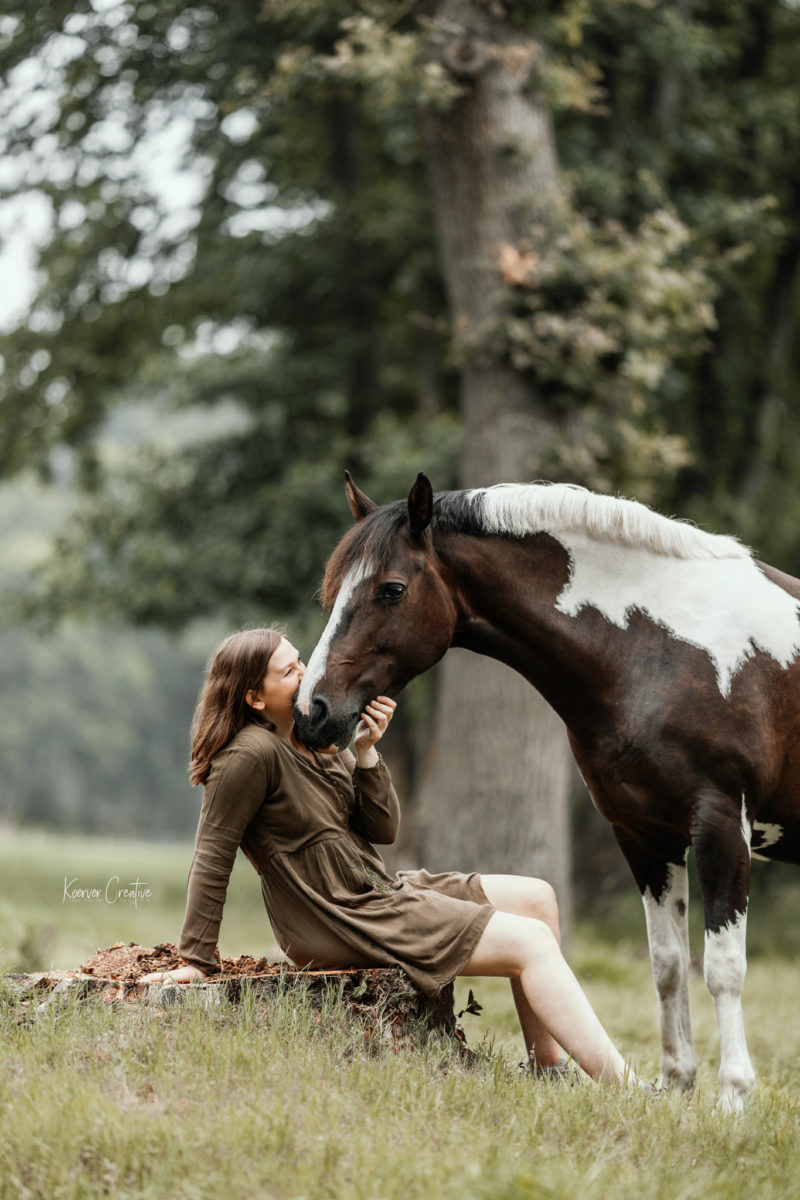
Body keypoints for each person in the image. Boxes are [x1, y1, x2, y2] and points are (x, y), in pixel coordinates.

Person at [144, 627, 639, 1086]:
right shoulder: (249, 755)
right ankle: (629, 1090)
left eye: (302, 661)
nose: (307, 672)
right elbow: (212, 855)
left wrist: (365, 755)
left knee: (537, 899)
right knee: (530, 942)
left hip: (374, 889)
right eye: (290, 671)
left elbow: (383, 829)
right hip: (335, 914)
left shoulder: (317, 739)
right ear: (254, 698)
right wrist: (196, 959)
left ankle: (546, 1073)